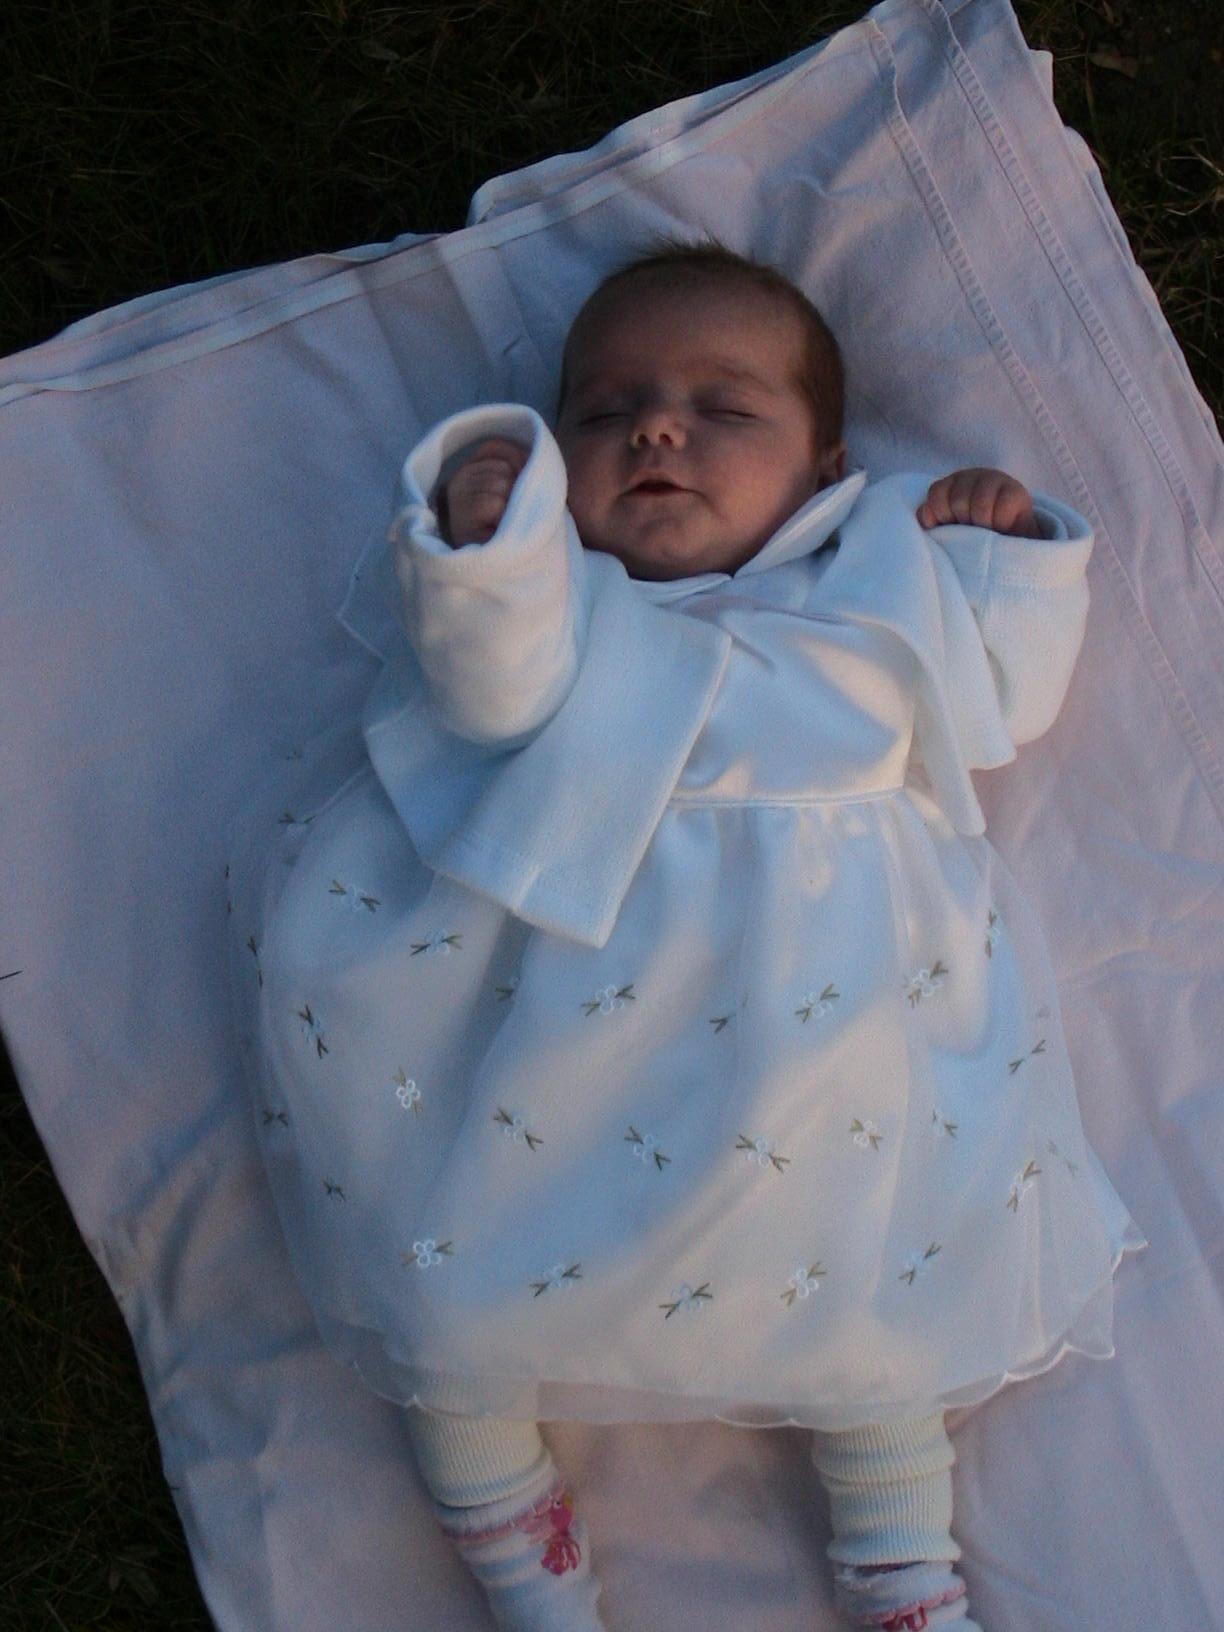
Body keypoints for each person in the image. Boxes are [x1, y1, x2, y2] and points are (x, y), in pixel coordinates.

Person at [231, 242, 1141, 1632]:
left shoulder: (877, 587)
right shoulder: (568, 610)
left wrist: (1002, 562)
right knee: (450, 1288)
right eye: (606, 411)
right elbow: (484, 690)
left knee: (879, 1299)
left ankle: (903, 1567)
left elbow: (1002, 705)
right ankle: (521, 1561)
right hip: (550, 1033)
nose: (657, 430)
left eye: (723, 407)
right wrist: (492, 547)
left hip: (823, 1047)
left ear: (828, 469)